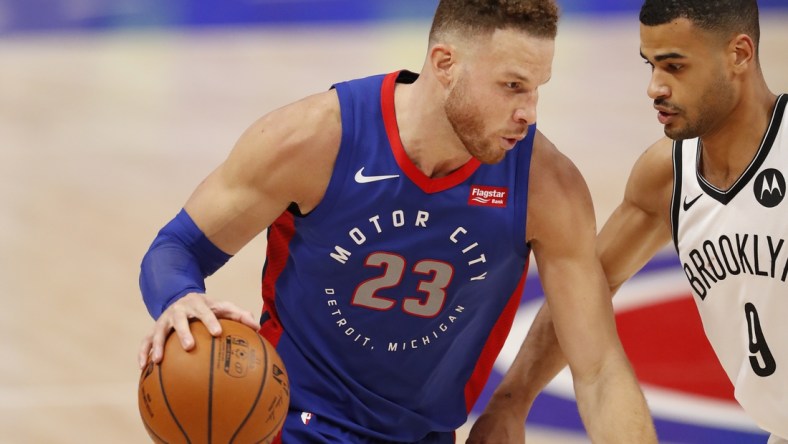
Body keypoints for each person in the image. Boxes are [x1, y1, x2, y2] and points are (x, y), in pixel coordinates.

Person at [137, 1, 657, 442]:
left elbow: (599, 371)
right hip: (292, 423)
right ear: (445, 62)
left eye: (538, 87)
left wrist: (513, 404)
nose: (529, 111)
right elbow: (176, 247)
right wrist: (178, 297)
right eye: (513, 86)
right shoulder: (316, 137)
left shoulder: (548, 188)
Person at [468, 0, 788, 442]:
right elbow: (586, 288)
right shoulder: (667, 177)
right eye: (651, 65)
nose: (655, 87)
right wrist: (512, 401)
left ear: (739, 54)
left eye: (675, 66)